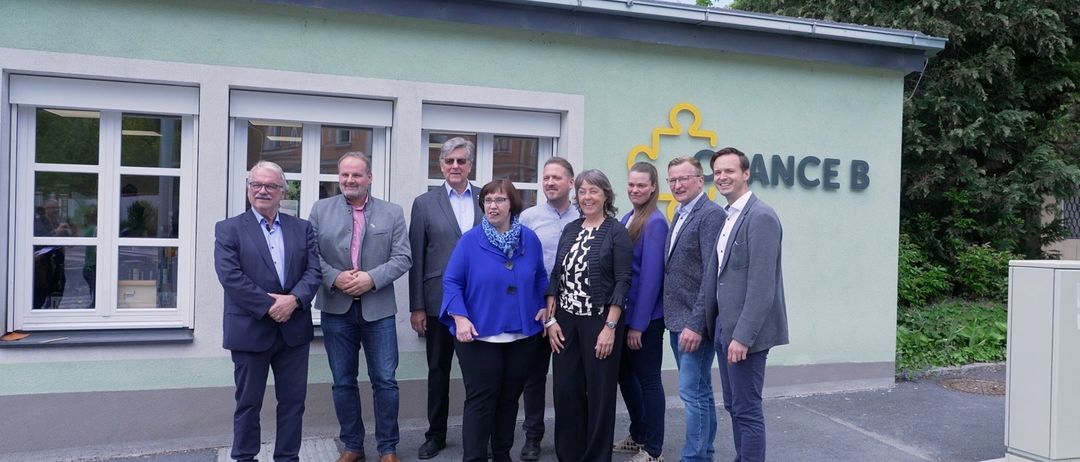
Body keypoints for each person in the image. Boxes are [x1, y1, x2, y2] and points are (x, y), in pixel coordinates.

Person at [213, 161, 321, 462]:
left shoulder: (302, 228)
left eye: (271, 186)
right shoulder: (229, 229)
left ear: (282, 191)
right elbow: (230, 277)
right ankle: (245, 457)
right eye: (256, 185)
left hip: (293, 331)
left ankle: (287, 458)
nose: (263, 190)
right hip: (250, 330)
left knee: (293, 403)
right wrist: (271, 305)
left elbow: (314, 271)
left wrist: (295, 300)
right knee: (248, 403)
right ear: (248, 189)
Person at [308, 152, 411, 462]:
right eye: (344, 176)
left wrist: (371, 279)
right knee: (343, 381)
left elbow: (403, 257)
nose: (350, 181)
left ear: (369, 178)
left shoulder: (392, 213)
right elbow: (311, 255)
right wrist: (337, 278)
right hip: (336, 308)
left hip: (377, 309)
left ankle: (388, 449)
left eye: (356, 175)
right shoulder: (320, 210)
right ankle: (353, 446)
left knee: (385, 381)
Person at [441, 179, 549, 462]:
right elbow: (452, 282)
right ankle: (474, 458)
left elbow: (540, 277)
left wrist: (542, 306)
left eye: (500, 200)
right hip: (479, 335)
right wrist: (460, 318)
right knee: (481, 401)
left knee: (509, 400)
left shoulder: (530, 239)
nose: (493, 205)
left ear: (512, 204)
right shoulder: (470, 241)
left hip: (521, 337)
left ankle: (501, 455)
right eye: (488, 200)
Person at [699, 147, 789, 462]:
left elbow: (763, 285)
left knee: (747, 410)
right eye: (718, 172)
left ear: (746, 174)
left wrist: (743, 337)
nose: (722, 177)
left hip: (744, 335)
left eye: (729, 171)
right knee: (734, 406)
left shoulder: (761, 216)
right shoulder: (728, 215)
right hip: (725, 327)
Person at [545, 169, 633, 462]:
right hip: (567, 322)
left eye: (593, 191)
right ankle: (569, 456)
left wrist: (610, 326)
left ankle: (596, 457)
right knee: (566, 391)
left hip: (600, 321)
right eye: (582, 191)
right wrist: (551, 317)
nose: (587, 197)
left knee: (599, 396)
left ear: (606, 194)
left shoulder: (616, 231)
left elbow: (623, 280)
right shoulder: (571, 229)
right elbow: (557, 275)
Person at [409, 136, 483, 459]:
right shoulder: (425, 203)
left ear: (470, 165)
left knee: (478, 376)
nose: (455, 166)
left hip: (480, 305)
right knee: (438, 371)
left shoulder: (487, 198)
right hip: (439, 304)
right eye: (449, 161)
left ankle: (479, 435)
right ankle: (435, 434)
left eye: (461, 161)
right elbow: (417, 259)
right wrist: (417, 307)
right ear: (440, 165)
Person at [663, 156, 726, 462]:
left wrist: (697, 324)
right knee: (699, 392)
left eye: (683, 178)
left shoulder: (710, 214)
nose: (677, 185)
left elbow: (711, 275)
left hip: (693, 324)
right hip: (678, 320)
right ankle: (705, 454)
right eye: (672, 180)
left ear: (701, 181)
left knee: (692, 394)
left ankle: (695, 458)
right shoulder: (680, 212)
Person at [517, 156, 577, 461]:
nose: (550, 183)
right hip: (537, 307)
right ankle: (533, 437)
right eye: (546, 178)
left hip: (574, 308)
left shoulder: (584, 215)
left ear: (571, 182)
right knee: (534, 377)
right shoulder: (529, 217)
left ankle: (571, 438)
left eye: (556, 177)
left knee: (570, 379)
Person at [613, 162, 668, 462]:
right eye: (631, 185)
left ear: (653, 187)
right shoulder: (628, 216)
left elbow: (650, 278)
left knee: (648, 380)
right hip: (626, 316)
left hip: (645, 319)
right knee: (624, 375)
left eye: (641, 185)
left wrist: (638, 325)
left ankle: (654, 450)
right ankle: (639, 434)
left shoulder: (655, 222)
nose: (635, 190)